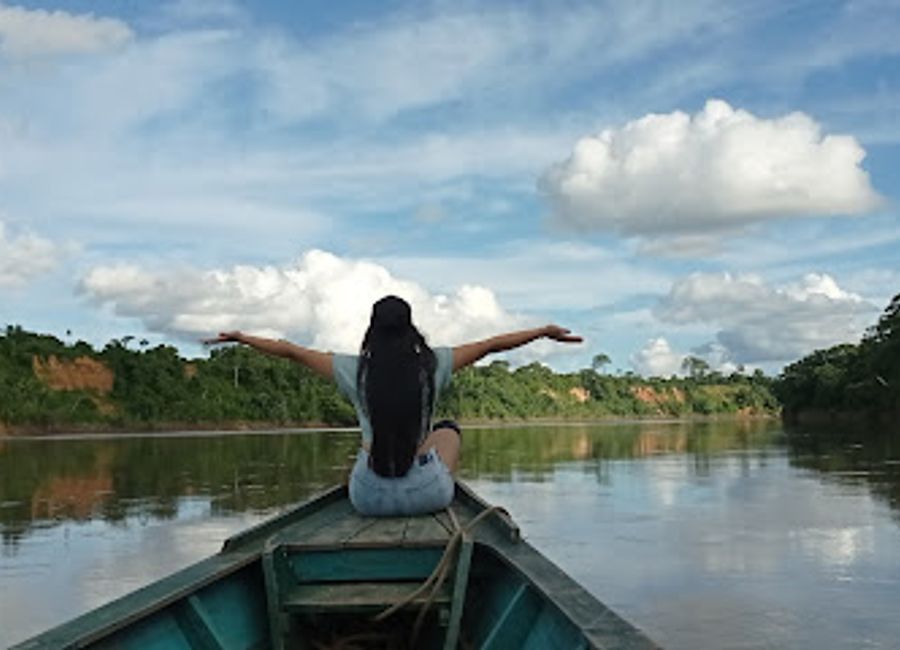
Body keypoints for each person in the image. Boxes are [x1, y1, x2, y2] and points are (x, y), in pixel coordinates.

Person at [205, 295, 581, 516]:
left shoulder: (353, 369)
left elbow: (289, 350)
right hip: (429, 495)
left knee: (366, 449)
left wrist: (241, 338)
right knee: (446, 431)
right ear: (410, 328)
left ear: (372, 328)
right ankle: (437, 480)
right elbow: (490, 345)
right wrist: (543, 332)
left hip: (366, 497)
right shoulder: (434, 364)